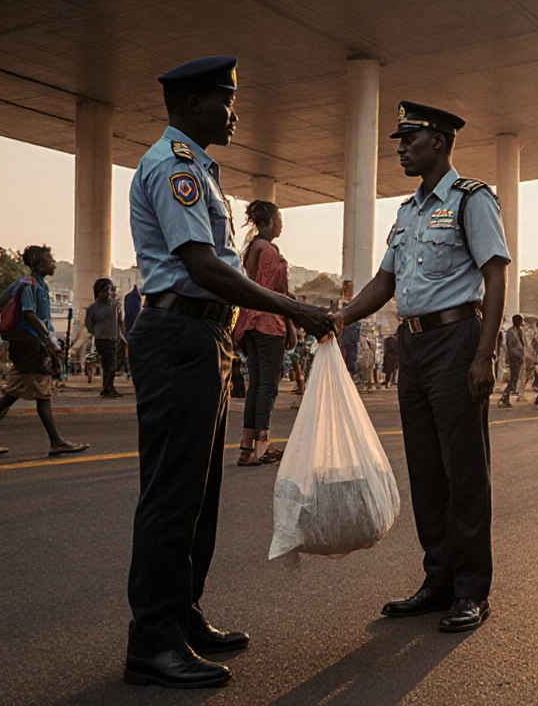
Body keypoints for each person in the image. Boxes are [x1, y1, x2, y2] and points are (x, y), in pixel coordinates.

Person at [123, 56, 335, 689]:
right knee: (171, 494)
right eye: (226, 99)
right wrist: (294, 308)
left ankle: (183, 615)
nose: (234, 111)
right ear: (192, 104)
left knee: (200, 492)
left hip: (204, 334)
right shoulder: (175, 168)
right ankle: (151, 641)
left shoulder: (201, 171)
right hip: (179, 332)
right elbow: (202, 264)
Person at [333, 101, 508, 633]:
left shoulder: (471, 200)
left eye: (410, 138)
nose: (401, 147)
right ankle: (437, 581)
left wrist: (483, 354)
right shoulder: (407, 212)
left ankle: (471, 589)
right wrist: (340, 316)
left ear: (439, 141)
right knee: (426, 470)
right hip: (411, 348)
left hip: (456, 340)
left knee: (464, 469)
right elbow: (384, 283)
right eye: (399, 139)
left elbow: (495, 276)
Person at [0, 246, 89, 456]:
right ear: (39, 264)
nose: (54, 263)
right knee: (33, 393)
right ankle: (57, 442)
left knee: (20, 394)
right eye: (51, 260)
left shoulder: (39, 285)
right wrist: (48, 340)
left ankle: (57, 442)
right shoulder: (29, 285)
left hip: (30, 345)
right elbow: (29, 313)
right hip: (30, 346)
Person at [232, 200, 295, 466]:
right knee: (268, 386)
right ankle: (261, 447)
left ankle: (248, 447)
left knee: (256, 385)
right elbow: (275, 295)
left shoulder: (251, 249)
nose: (281, 224)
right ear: (270, 221)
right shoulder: (269, 251)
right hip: (268, 323)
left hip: (248, 322)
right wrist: (290, 325)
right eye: (279, 218)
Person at [85, 277, 126, 397]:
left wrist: (121, 332)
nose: (108, 293)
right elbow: (89, 323)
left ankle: (107, 387)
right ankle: (108, 388)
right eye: (106, 290)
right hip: (104, 338)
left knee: (109, 365)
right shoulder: (102, 306)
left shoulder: (113, 304)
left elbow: (120, 320)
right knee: (110, 364)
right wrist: (96, 331)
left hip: (112, 337)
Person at [498, 314, 525, 407]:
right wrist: (516, 355)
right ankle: (504, 398)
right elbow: (511, 347)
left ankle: (506, 398)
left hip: (520, 356)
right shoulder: (511, 332)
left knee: (515, 380)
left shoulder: (519, 331)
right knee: (512, 380)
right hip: (514, 357)